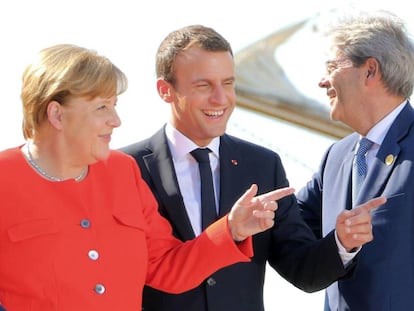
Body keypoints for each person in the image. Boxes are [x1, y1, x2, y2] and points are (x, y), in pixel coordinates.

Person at [0, 43, 305, 311]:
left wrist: (231, 229)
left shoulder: (123, 171)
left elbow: (165, 267)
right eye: (102, 107)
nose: (116, 120)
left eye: (114, 105)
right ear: (56, 114)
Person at [120, 25, 385, 311]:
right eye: (204, 86)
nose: (221, 99)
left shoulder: (262, 165)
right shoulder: (125, 169)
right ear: (165, 90)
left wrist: (341, 243)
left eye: (229, 83)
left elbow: (303, 271)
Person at [296, 9, 414, 311]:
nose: (323, 81)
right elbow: (291, 224)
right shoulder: (335, 158)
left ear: (370, 70)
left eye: (332, 66)